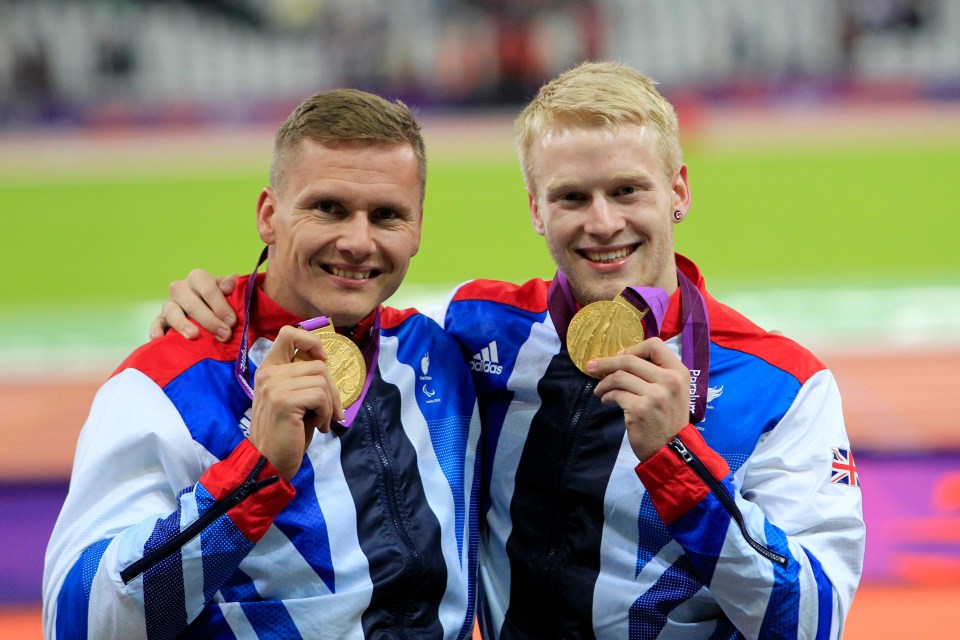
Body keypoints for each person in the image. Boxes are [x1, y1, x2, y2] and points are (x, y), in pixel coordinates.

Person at [154, 61, 865, 639]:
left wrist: (680, 461)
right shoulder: (477, 329)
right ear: (534, 207)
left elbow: (812, 618)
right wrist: (229, 298)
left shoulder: (784, 385)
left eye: (627, 190)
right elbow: (350, 302)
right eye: (571, 197)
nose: (603, 223)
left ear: (677, 191)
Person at [43, 89, 481, 639]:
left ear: (417, 229)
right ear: (269, 215)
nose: (357, 241)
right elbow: (80, 623)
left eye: (387, 215)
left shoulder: (442, 353)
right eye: (328, 208)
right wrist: (254, 474)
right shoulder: (165, 384)